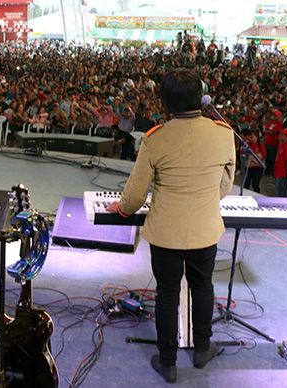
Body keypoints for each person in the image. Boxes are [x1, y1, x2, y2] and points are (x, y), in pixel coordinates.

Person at [106, 69, 235, 383]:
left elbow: (135, 195)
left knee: (166, 294)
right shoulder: (223, 133)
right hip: (205, 229)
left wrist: (121, 209)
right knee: (203, 287)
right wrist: (202, 199)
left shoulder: (155, 138)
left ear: (164, 103)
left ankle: (168, 363)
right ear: (199, 98)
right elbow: (225, 186)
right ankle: (202, 349)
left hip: (166, 234)